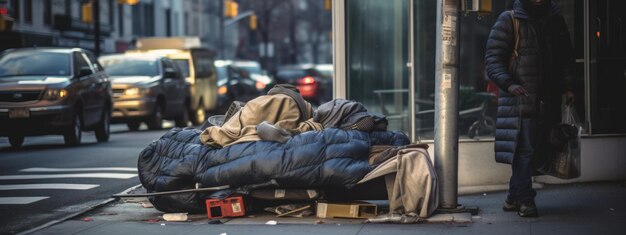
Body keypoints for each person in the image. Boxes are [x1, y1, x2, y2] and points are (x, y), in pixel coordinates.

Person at [484, 0, 575, 217]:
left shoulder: (555, 19)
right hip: (521, 99)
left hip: (548, 99)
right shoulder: (509, 19)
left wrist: (569, 86)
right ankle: (526, 200)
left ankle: (513, 197)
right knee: (524, 151)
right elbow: (493, 59)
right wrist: (509, 83)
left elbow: (565, 57)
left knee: (536, 150)